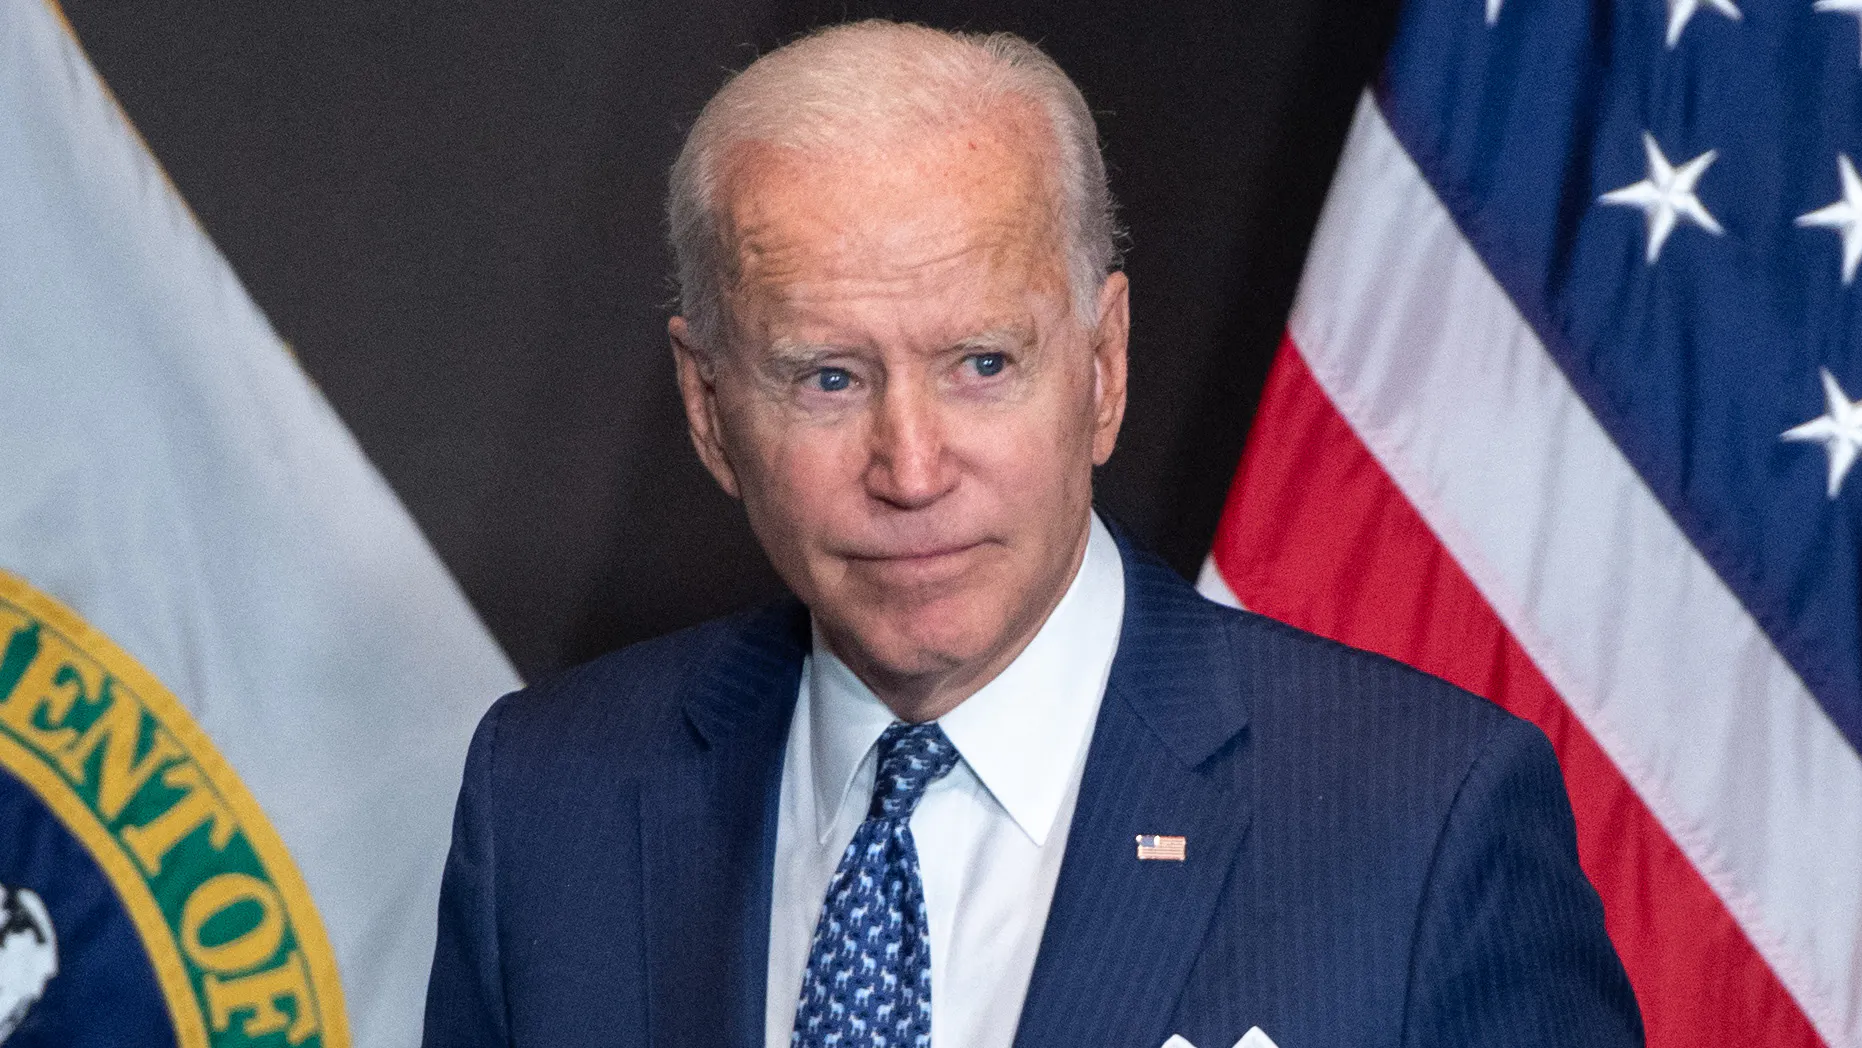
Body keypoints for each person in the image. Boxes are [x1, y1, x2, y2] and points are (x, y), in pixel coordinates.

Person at [421, 20, 1643, 1048]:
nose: (911, 469)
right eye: (829, 378)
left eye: (983, 364)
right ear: (708, 408)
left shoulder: (1420, 820)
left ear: (1103, 367)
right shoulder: (552, 797)